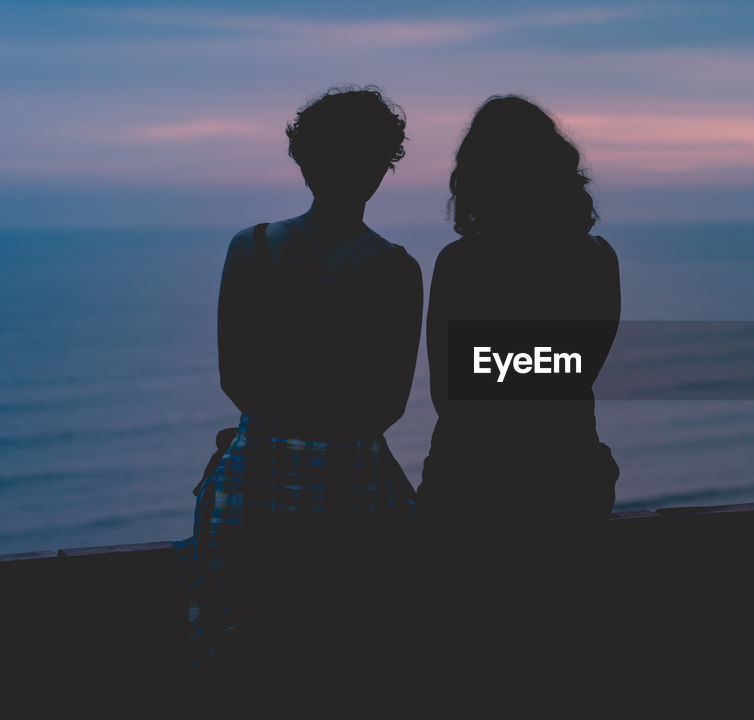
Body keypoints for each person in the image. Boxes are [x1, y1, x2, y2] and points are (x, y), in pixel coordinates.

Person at [179, 86, 422, 677]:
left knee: (243, 660)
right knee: (348, 653)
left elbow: (234, 379)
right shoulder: (397, 269)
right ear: (383, 168)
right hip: (354, 480)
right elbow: (390, 401)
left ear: (302, 162)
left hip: (253, 478)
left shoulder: (253, 248)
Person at [418, 95, 621, 536]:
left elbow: (449, 396)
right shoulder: (598, 259)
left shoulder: (460, 264)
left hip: (470, 481)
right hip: (569, 475)